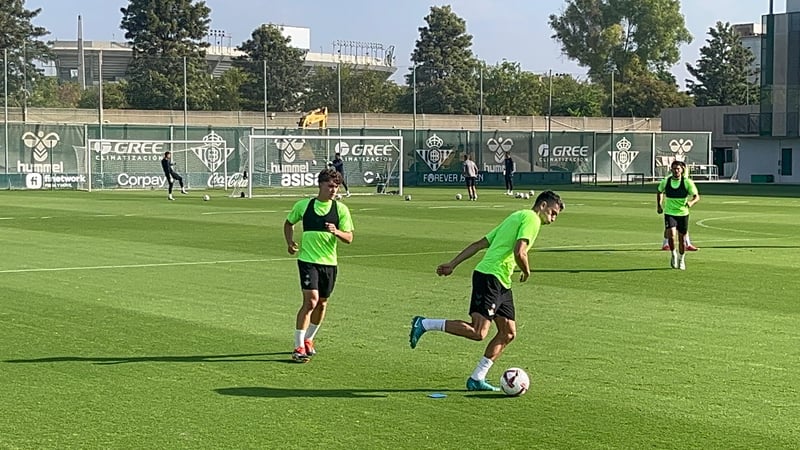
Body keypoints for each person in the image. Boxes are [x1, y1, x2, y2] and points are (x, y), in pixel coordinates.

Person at [409, 190, 565, 391]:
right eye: (552, 213)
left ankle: (477, 378)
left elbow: (480, 244)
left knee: (508, 333)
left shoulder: (516, 216)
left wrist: (453, 264)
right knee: (478, 332)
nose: (553, 219)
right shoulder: (531, 219)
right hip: (490, 277)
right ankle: (424, 323)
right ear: (542, 205)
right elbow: (520, 252)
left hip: (502, 282)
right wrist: (526, 271)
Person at [284, 168, 354, 362]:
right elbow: (289, 223)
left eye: (336, 187)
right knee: (311, 301)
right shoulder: (304, 205)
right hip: (308, 261)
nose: (333, 190)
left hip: (329, 263)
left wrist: (336, 232)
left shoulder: (340, 209)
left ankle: (309, 339)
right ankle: (298, 346)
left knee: (322, 303)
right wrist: (290, 242)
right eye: (330, 186)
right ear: (320, 185)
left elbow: (349, 238)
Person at [657, 160, 700, 270]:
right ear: (671, 169)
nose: (676, 171)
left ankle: (681, 258)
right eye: (674, 168)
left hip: (683, 213)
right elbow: (660, 191)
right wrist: (659, 205)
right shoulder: (666, 181)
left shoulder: (687, 182)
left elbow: (696, 196)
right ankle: (673, 254)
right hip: (670, 212)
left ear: (682, 170)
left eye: (678, 169)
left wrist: (691, 202)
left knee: (682, 238)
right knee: (671, 235)